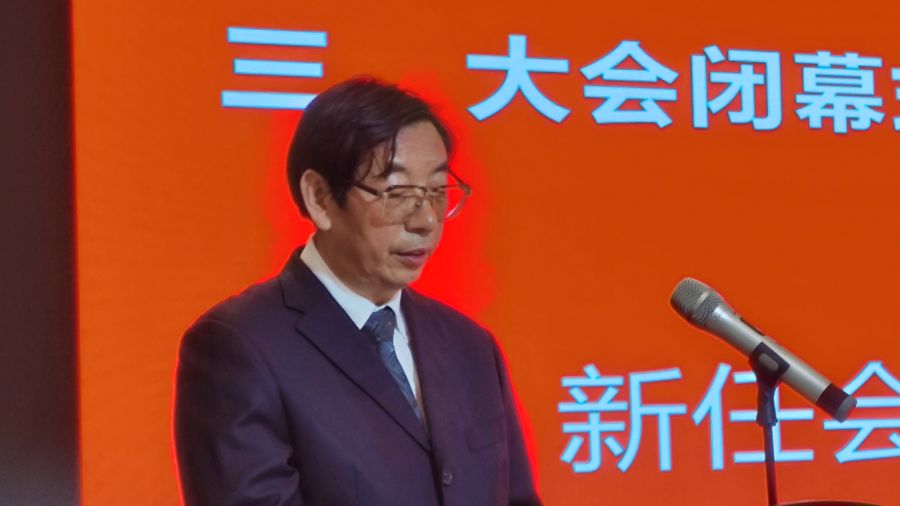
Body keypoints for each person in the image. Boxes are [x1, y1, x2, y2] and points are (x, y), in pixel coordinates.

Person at [174, 76, 542, 506]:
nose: (425, 220)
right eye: (397, 192)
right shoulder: (239, 348)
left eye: (437, 191)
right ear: (320, 198)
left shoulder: (471, 347)